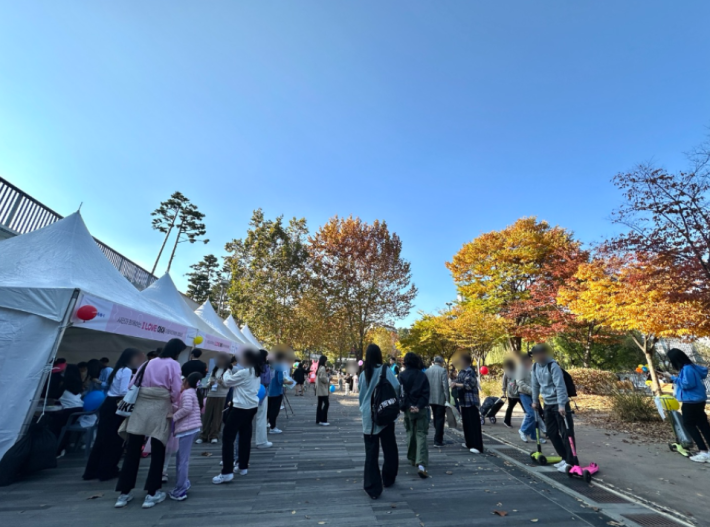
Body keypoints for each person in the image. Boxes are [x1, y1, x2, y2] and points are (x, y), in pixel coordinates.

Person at [115, 338, 184, 509]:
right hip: (160, 407)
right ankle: (152, 493)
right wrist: (176, 405)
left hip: (140, 407)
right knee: (158, 448)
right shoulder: (173, 365)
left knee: (132, 450)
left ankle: (124, 493)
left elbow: (133, 384)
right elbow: (176, 389)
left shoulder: (148, 363)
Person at [84, 348, 145, 481]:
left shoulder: (118, 369)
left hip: (108, 404)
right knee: (115, 440)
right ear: (131, 358)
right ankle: (107, 470)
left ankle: (92, 470)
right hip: (117, 406)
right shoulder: (127, 371)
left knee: (102, 439)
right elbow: (124, 390)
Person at [213, 349, 262, 483]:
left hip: (240, 407)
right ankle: (242, 466)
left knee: (228, 438)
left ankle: (227, 471)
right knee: (245, 437)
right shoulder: (255, 371)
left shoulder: (245, 372)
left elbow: (227, 382)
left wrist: (228, 370)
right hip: (251, 407)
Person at [358, 344, 400, 500]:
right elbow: (396, 386)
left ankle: (372, 487)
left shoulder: (364, 374)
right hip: (385, 414)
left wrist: (364, 409)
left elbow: (362, 397)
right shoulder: (385, 370)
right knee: (389, 448)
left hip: (369, 417)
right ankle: (388, 478)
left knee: (371, 452)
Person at [530, 343, 574, 473]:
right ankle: (564, 457)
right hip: (547, 403)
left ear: (544, 354)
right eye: (536, 355)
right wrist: (534, 401)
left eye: (540, 354)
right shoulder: (535, 367)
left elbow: (560, 386)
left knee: (566, 433)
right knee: (551, 432)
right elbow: (535, 385)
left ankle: (570, 461)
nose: (538, 357)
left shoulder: (553, 366)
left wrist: (561, 405)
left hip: (560, 403)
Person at [662, 348, 710, 463]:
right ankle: (705, 451)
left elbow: (687, 384)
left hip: (691, 402)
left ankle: (703, 451)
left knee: (689, 424)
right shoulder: (691, 367)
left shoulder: (687, 369)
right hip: (697, 400)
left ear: (676, 360)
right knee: (703, 425)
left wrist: (672, 377)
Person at [169, 372, 202, 500]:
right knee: (181, 458)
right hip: (192, 428)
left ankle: (180, 489)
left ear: (187, 382)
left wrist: (174, 416)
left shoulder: (187, 393)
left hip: (187, 429)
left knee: (182, 460)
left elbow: (187, 408)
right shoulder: (193, 392)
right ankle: (183, 483)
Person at [399, 353, 430, 478]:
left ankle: (412, 457)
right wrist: (419, 405)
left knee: (410, 432)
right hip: (421, 408)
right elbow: (426, 393)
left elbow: (401, 393)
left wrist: (408, 405)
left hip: (407, 408)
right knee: (421, 433)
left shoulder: (401, 376)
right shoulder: (422, 376)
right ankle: (421, 462)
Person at [50, 364, 85, 456]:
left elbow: (55, 395)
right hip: (78, 409)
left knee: (55, 424)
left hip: (69, 410)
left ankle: (57, 448)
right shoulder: (78, 383)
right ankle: (62, 446)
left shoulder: (65, 384)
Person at [451, 355, 483, 454]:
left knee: (473, 424)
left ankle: (477, 446)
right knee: (466, 423)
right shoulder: (461, 371)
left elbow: (468, 385)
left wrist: (456, 384)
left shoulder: (470, 372)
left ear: (466, 361)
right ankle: (469, 442)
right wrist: (454, 382)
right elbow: (459, 381)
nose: (460, 362)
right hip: (463, 401)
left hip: (471, 401)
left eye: (461, 360)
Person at [197, 354, 231, 444]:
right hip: (211, 394)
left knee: (217, 416)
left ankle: (214, 435)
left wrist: (222, 382)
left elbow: (228, 384)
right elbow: (208, 381)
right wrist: (210, 384)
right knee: (207, 415)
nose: (220, 361)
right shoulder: (214, 370)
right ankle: (203, 435)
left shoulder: (228, 371)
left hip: (221, 395)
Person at [515, 353, 545, 444]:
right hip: (524, 394)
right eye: (530, 359)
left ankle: (535, 436)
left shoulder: (532, 367)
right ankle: (523, 430)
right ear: (524, 360)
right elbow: (519, 382)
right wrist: (531, 390)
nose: (531, 360)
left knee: (535, 414)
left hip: (533, 394)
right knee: (531, 413)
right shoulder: (521, 368)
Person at [425, 356, 450, 447]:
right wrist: (448, 399)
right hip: (440, 398)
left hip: (430, 398)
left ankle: (437, 436)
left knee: (435, 417)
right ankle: (438, 440)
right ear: (442, 362)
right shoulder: (442, 371)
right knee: (440, 418)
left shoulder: (427, 371)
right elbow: (445, 386)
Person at [267, 352, 293, 434]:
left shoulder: (270, 366)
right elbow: (280, 380)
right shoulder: (279, 367)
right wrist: (287, 382)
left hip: (269, 391)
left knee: (269, 409)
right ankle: (273, 427)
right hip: (277, 391)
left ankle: (267, 423)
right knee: (275, 410)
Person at [254, 349, 272, 449]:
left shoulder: (252, 366)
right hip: (262, 392)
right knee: (261, 417)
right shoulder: (265, 367)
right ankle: (261, 441)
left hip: (251, 393)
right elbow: (267, 380)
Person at [502, 358, 521, 428]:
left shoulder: (517, 371)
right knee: (510, 407)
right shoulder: (506, 372)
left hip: (519, 392)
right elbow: (504, 383)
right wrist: (504, 392)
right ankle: (507, 421)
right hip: (511, 393)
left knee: (526, 408)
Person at [315, 355, 330, 426]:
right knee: (326, 403)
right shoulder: (323, 368)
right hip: (322, 389)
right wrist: (328, 379)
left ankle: (318, 419)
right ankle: (323, 419)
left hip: (319, 389)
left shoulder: (319, 368)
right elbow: (322, 378)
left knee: (320, 404)